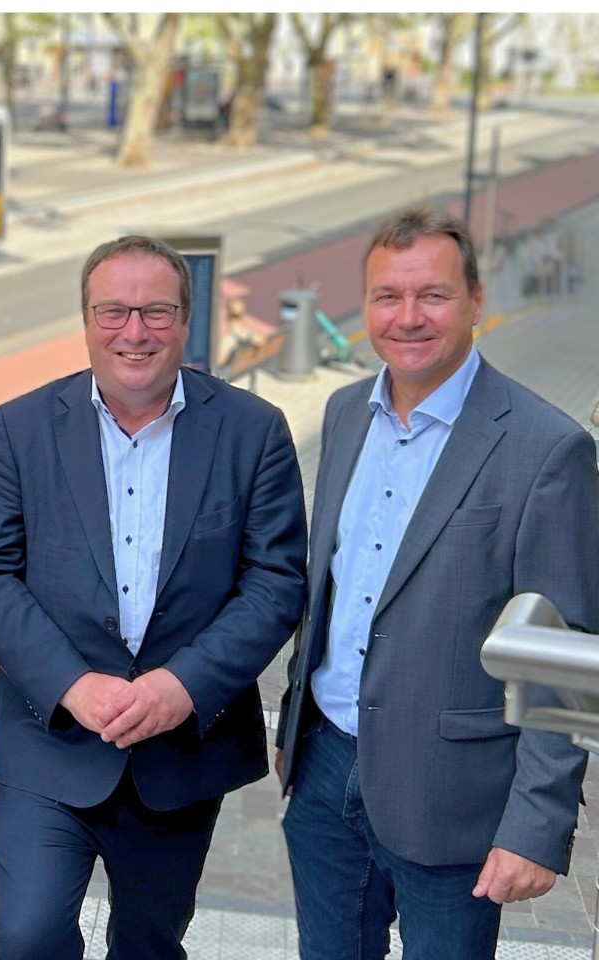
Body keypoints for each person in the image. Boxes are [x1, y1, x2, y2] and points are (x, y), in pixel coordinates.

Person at [0, 235, 307, 959]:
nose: (134, 332)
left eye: (155, 312)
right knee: (27, 936)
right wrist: (70, 683)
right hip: (52, 739)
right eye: (113, 312)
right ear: (85, 319)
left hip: (179, 754)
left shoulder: (252, 431)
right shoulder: (19, 428)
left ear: (185, 320)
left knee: (147, 943)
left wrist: (187, 685)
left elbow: (276, 580)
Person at [276, 206, 599, 959]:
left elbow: (565, 654)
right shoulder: (344, 412)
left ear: (477, 301)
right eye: (388, 295)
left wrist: (536, 826)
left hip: (454, 795)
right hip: (324, 770)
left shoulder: (548, 449)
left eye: (434, 295)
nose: (408, 317)